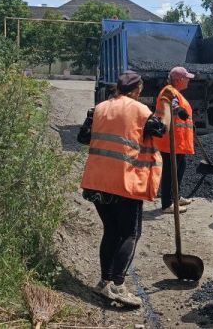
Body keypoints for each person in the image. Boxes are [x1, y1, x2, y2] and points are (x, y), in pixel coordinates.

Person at [80, 70, 166, 307]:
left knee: (111, 231)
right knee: (130, 233)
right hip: (123, 182)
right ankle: (118, 286)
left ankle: (104, 282)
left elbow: (83, 137)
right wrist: (167, 111)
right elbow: (161, 131)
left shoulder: (99, 108)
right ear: (138, 89)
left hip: (96, 181)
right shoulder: (140, 110)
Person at [154, 67, 196, 214]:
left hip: (178, 141)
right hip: (170, 141)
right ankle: (167, 204)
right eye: (187, 78)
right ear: (179, 80)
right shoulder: (169, 91)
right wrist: (179, 110)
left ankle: (175, 197)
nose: (189, 80)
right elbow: (171, 104)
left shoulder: (175, 92)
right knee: (169, 173)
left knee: (180, 168)